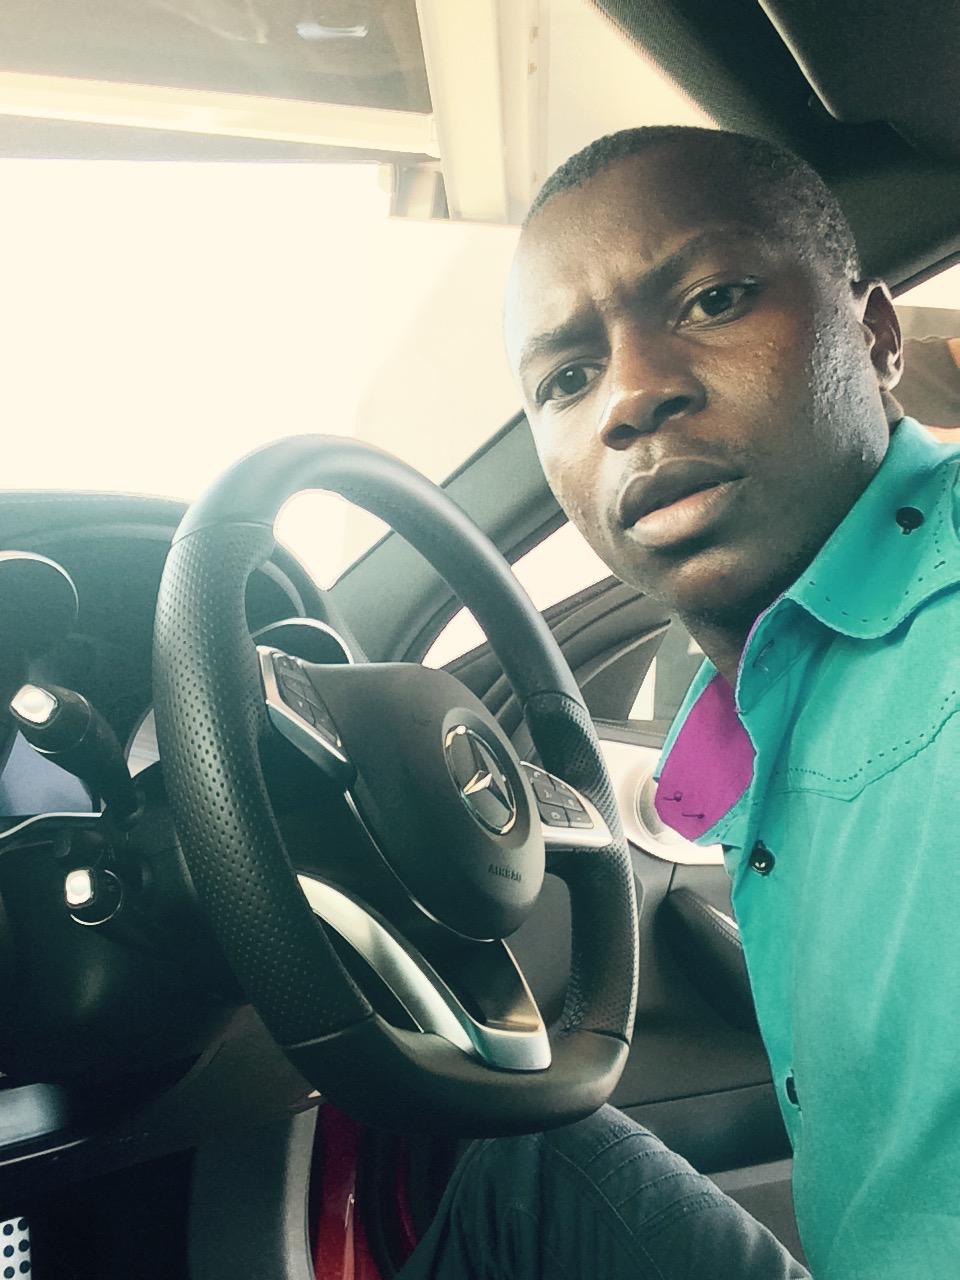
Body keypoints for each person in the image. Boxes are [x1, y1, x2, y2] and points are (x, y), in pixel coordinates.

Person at [400, 126, 960, 1279]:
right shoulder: (749, 688)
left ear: (875, 335)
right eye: (566, 377)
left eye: (713, 300)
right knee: (532, 1165)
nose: (632, 395)